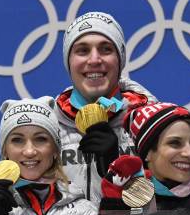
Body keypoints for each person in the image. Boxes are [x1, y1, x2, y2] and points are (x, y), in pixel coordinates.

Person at [56, 11, 158, 202]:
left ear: (120, 60)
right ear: (68, 62)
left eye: (105, 49)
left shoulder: (153, 125)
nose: (94, 60)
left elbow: (166, 212)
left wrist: (118, 169)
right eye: (82, 50)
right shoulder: (46, 129)